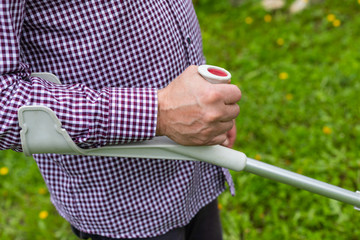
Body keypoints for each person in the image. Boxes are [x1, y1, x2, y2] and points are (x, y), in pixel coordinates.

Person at [0, 1, 241, 239]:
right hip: (123, 204)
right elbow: (4, 101)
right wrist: (159, 112)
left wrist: (205, 100)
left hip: (198, 171)